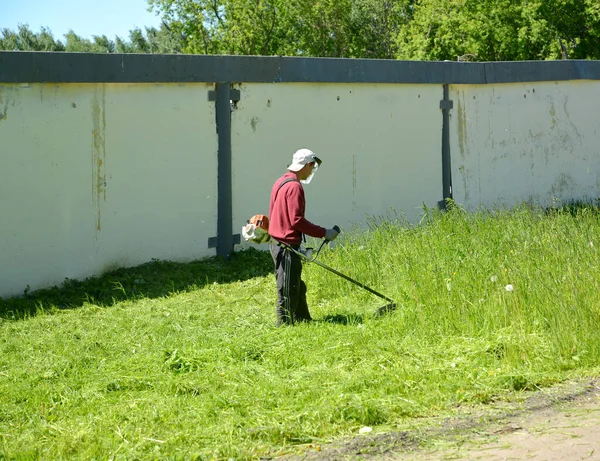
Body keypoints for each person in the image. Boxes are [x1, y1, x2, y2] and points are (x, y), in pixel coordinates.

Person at [268, 148, 339, 326]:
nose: (311, 171)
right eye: (312, 167)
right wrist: (324, 232)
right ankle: (284, 326)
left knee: (296, 285)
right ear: (307, 165)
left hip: (278, 242)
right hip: (286, 246)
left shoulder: (281, 181)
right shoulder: (295, 187)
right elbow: (296, 220)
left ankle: (303, 320)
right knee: (287, 289)